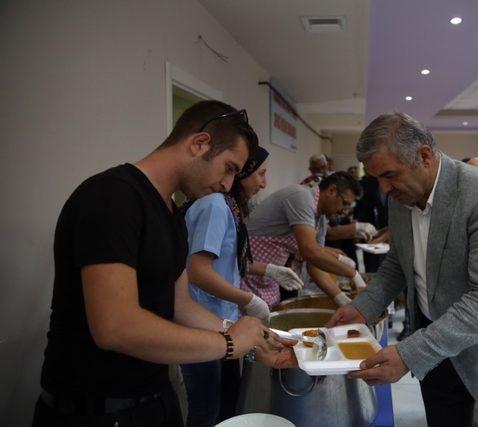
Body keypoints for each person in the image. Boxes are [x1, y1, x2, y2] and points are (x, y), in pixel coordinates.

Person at [32, 101, 296, 426]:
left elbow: (180, 305)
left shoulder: (170, 212)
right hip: (96, 409)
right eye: (228, 168)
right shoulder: (112, 197)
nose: (228, 184)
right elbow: (115, 327)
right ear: (199, 144)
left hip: (154, 399)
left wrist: (251, 339)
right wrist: (228, 343)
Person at [327, 112, 478, 427]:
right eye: (376, 179)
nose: (383, 189)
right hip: (438, 346)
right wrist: (362, 308)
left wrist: (410, 353)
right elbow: (398, 264)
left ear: (424, 156)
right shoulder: (400, 199)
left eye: (389, 175)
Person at [180, 146, 300, 426]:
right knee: (207, 408)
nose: (263, 182)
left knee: (228, 401)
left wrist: (270, 270)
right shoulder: (215, 206)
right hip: (202, 321)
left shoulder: (230, 207)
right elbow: (198, 272)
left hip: (222, 319)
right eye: (260, 173)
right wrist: (249, 299)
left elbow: (228, 261)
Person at [243, 172, 366, 308]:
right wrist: (353, 275)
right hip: (247, 274)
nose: (344, 211)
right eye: (344, 203)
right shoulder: (301, 196)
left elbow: (315, 264)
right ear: (331, 190)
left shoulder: (321, 220)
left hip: (268, 280)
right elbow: (309, 251)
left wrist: (341, 299)